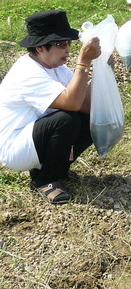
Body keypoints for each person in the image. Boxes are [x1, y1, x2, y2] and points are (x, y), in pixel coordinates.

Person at [0, 10, 101, 204]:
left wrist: (101, 70)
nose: (67, 49)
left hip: (32, 137)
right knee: (66, 120)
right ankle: (44, 180)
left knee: (89, 120)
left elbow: (87, 106)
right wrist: (84, 63)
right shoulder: (27, 72)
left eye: (69, 43)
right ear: (39, 48)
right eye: (60, 44)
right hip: (14, 147)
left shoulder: (56, 67)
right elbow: (72, 103)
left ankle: (56, 171)